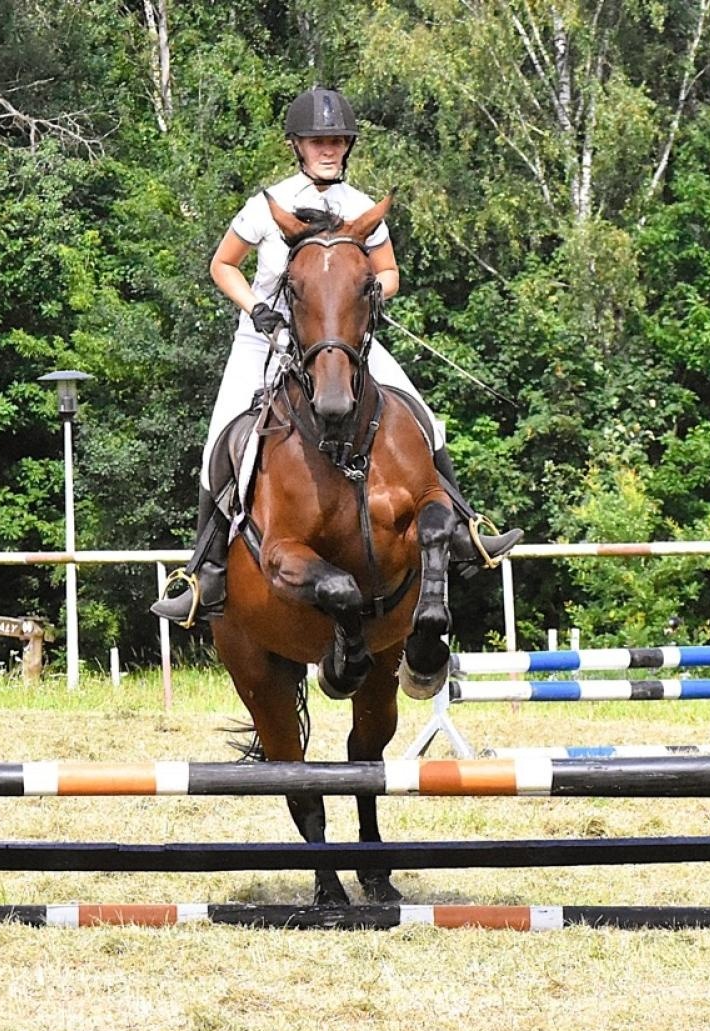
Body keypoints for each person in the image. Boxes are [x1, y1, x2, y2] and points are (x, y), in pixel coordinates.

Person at [152, 86, 521, 627]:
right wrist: (256, 309)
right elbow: (222, 265)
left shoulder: (359, 207)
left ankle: (466, 528)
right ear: (296, 146)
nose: (328, 149)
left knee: (426, 420)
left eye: (337, 140)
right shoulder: (265, 204)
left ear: (348, 146)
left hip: (340, 339)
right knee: (221, 441)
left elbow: (389, 273)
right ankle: (203, 572)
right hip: (268, 339)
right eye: (317, 140)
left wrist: (361, 297)